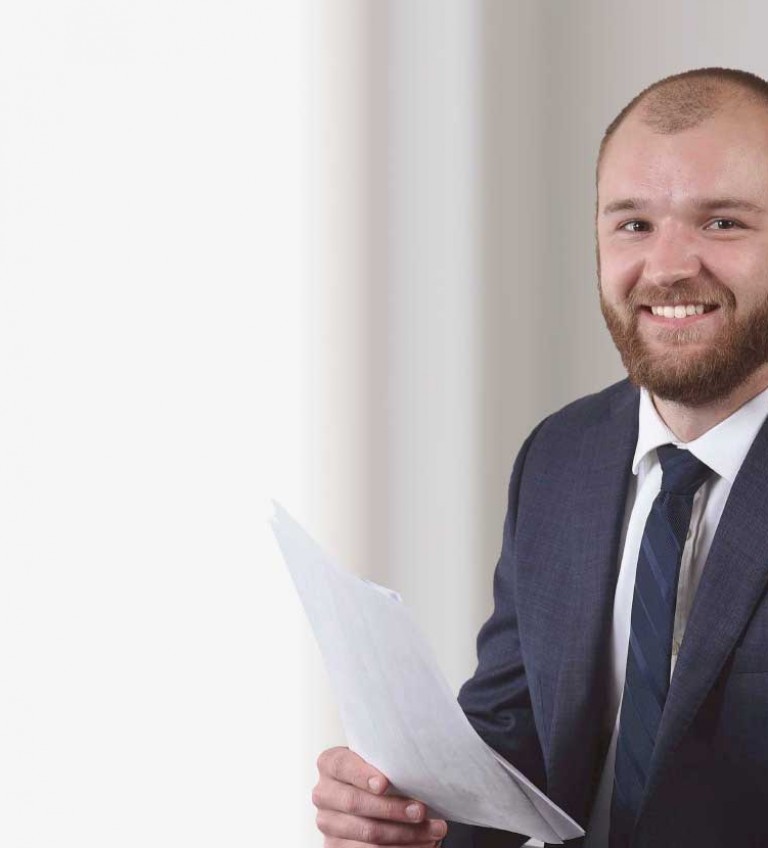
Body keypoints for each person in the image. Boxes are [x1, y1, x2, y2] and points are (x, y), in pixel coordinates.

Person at [311, 66, 768, 847]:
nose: (666, 267)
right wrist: (409, 812)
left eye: (722, 223)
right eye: (632, 224)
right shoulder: (561, 458)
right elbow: (511, 740)